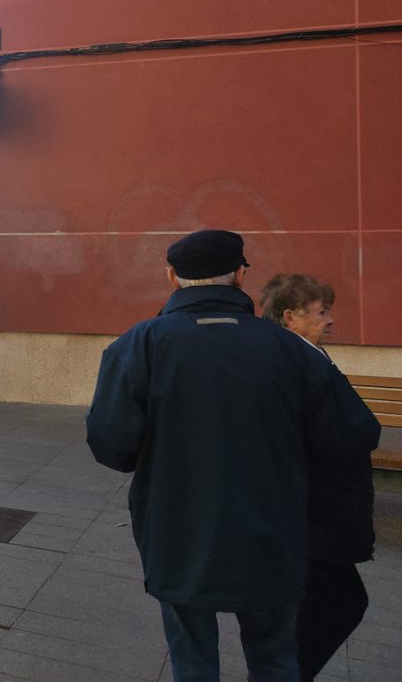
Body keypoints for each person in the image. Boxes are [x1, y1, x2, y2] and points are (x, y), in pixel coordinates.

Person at [86, 230, 380, 681]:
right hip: (274, 540)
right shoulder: (291, 349)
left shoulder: (138, 345)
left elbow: (113, 447)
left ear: (172, 276)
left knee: (193, 663)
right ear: (241, 276)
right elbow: (355, 433)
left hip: (178, 538)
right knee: (276, 660)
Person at [260, 274, 378, 682]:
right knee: (343, 601)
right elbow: (349, 430)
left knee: (319, 605)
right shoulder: (301, 362)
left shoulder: (306, 357)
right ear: (290, 317)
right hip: (316, 511)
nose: (330, 320)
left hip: (316, 511)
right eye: (321, 312)